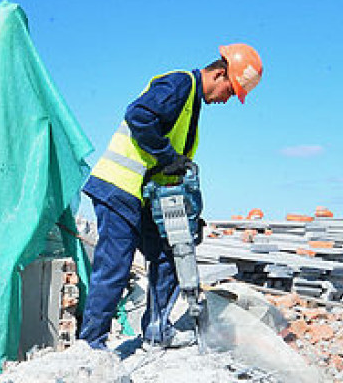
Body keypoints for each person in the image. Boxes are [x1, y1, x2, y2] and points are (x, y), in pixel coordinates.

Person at [78, 43, 263, 350]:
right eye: (230, 91)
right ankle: (89, 347)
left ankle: (156, 331)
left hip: (143, 196)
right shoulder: (179, 85)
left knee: (170, 255)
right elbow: (138, 116)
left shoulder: (192, 104)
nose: (227, 100)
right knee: (115, 266)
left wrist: (187, 215)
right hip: (119, 187)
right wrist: (167, 156)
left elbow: (172, 170)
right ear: (219, 74)